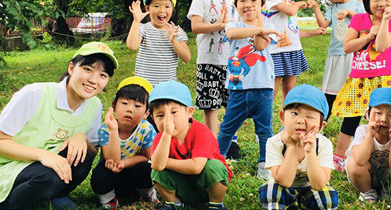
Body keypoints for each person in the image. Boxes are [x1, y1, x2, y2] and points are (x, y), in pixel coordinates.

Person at [0, 42, 118, 210]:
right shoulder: (35, 94)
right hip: (8, 165)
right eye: (87, 69)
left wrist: (82, 138)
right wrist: (43, 155)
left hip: (44, 164)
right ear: (71, 68)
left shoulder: (94, 104)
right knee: (49, 177)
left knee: (82, 160)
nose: (93, 80)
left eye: (103, 75)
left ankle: (51, 196)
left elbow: (92, 149)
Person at [331, 0, 391, 172]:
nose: (382, 3)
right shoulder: (360, 20)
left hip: (384, 79)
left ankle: (384, 156)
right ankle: (339, 156)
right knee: (351, 119)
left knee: (385, 120)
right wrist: (368, 35)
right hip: (359, 80)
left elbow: (380, 47)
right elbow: (347, 47)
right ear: (367, 1)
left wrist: (384, 23)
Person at [215, 0, 277, 178]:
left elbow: (260, 45)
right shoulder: (234, 24)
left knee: (265, 130)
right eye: (242, 1)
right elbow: (232, 34)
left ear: (262, 4)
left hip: (264, 88)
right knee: (226, 128)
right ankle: (216, 161)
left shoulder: (269, 25)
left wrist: (260, 25)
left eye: (254, 0)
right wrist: (259, 29)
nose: (248, 5)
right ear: (235, 5)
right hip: (238, 87)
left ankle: (264, 165)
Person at [149, 80, 232, 210]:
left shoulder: (201, 131)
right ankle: (174, 203)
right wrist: (166, 135)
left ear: (189, 112)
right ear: (152, 118)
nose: (167, 120)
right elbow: (157, 166)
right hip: (181, 187)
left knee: (214, 167)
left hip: (206, 187)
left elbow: (196, 167)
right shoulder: (161, 137)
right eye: (160, 115)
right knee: (157, 173)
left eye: (173, 112)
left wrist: (166, 162)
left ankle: (216, 204)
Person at [259, 84, 338, 210]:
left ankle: (303, 204)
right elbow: (284, 181)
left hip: (311, 190)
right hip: (284, 188)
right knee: (271, 190)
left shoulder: (323, 144)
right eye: (294, 113)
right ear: (282, 117)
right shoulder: (274, 142)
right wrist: (291, 146)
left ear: (321, 126)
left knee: (327, 197)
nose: (300, 120)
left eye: (310, 116)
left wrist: (310, 151)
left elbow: (319, 184)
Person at [187, 0, 237, 138]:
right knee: (211, 104)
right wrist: (221, 25)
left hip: (234, 60)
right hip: (208, 60)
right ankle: (210, 141)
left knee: (233, 103)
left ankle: (231, 140)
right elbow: (196, 26)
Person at [90, 76, 158, 209]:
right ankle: (109, 200)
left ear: (147, 113)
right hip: (113, 178)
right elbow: (112, 161)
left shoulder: (146, 129)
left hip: (137, 180)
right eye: (125, 103)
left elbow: (146, 156)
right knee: (100, 174)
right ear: (114, 106)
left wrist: (124, 163)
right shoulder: (106, 129)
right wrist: (114, 130)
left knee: (146, 168)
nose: (130, 109)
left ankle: (147, 194)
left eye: (137, 106)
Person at [307, 0, 365, 120]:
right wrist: (315, 7)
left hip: (355, 53)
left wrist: (348, 12)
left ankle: (352, 121)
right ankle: (321, 121)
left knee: (354, 91)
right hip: (336, 54)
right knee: (330, 92)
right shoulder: (332, 8)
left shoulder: (358, 1)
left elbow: (365, 21)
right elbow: (323, 24)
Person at [345, 88, 391, 203]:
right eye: (378, 113)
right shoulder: (363, 131)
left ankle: (389, 190)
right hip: (366, 176)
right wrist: (369, 136)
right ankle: (367, 192)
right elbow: (359, 160)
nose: (384, 119)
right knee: (353, 163)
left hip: (389, 176)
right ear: (367, 114)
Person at [263, 0, 310, 103]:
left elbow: (292, 29)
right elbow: (290, 11)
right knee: (272, 89)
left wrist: (315, 32)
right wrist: (299, 3)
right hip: (276, 50)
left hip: (293, 49)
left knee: (290, 91)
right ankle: (266, 121)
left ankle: (287, 122)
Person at [126, 0, 191, 86]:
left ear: (172, 10)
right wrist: (136, 21)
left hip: (167, 87)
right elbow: (132, 46)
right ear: (147, 8)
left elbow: (187, 58)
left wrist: (173, 40)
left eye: (167, 6)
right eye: (156, 6)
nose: (162, 10)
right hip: (144, 86)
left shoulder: (176, 31)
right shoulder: (143, 28)